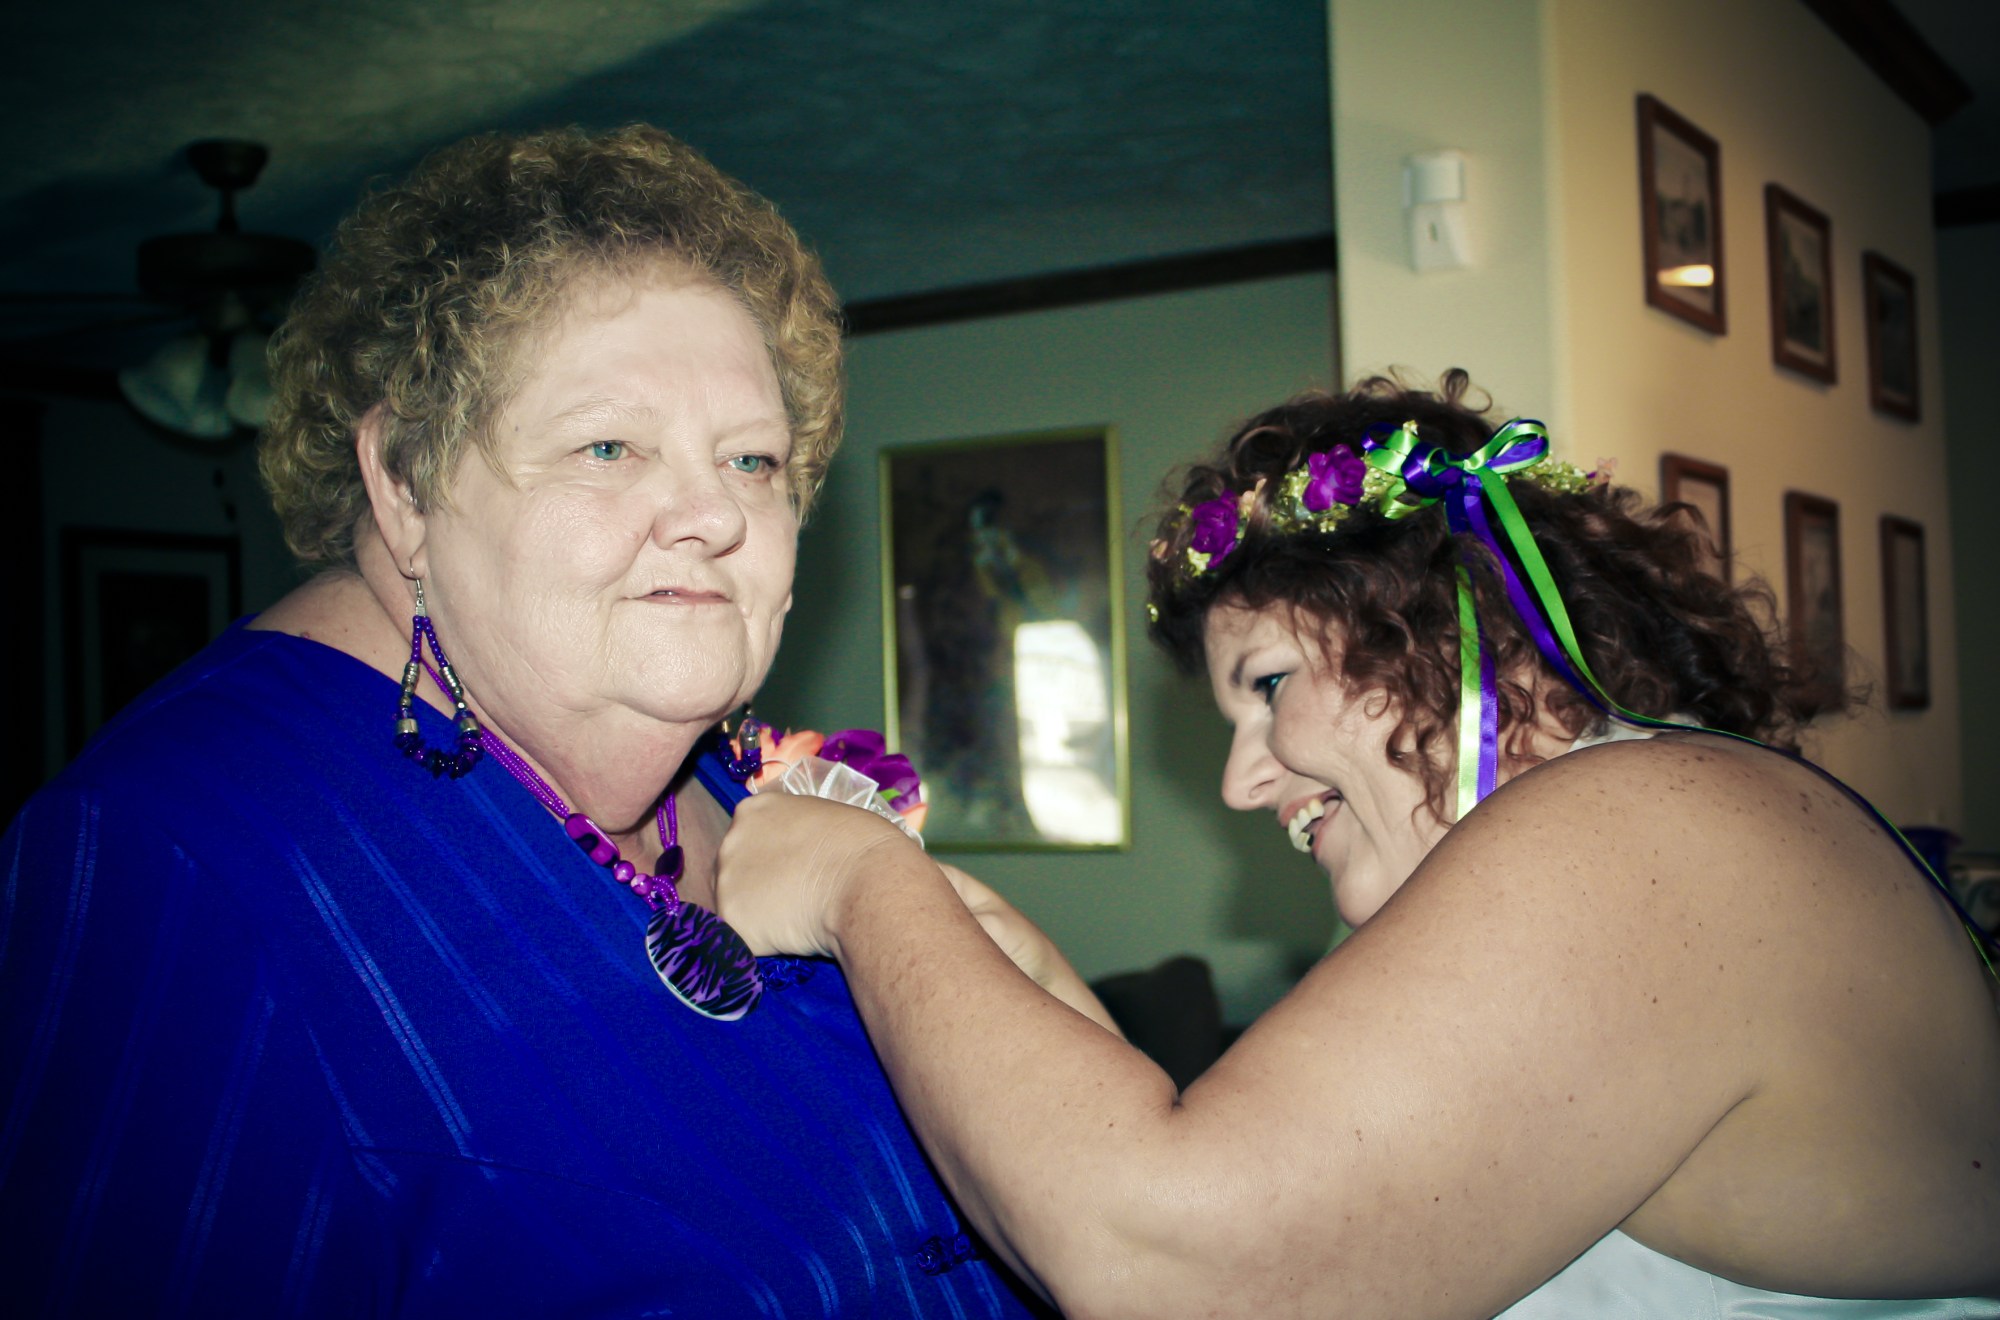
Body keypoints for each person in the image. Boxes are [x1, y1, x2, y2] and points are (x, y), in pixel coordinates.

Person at [0, 124, 1086, 1316]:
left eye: (751, 461)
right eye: (608, 446)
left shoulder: (743, 787)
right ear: (404, 483)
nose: (713, 516)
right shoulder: (173, 860)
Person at [717, 372, 2000, 1318]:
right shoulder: (1642, 834)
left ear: (1449, 623)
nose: (1238, 781)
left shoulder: (1633, 828)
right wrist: (1010, 966)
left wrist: (859, 885)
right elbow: (1300, 1219)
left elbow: (1179, 1269)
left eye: (1267, 685)